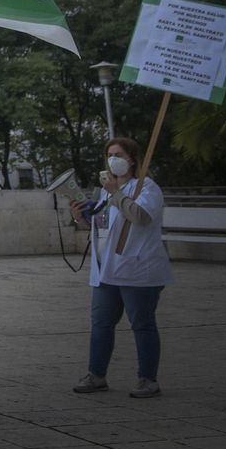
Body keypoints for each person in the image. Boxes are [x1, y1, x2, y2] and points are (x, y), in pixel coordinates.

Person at [71, 136, 171, 398]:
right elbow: (102, 226)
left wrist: (117, 194)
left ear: (132, 159)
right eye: (109, 155)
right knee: (101, 324)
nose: (112, 159)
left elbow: (140, 216)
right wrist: (80, 217)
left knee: (142, 324)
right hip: (107, 271)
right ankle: (96, 375)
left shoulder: (146, 188)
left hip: (137, 269)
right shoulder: (105, 191)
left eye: (118, 154)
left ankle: (148, 379)